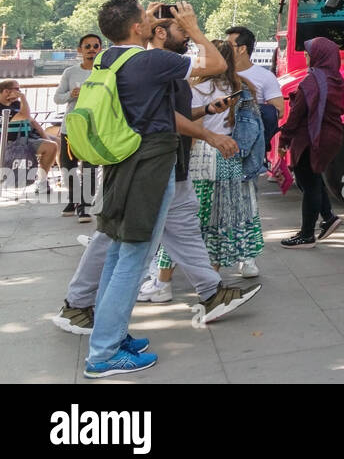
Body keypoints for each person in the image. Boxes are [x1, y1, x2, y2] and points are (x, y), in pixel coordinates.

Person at [55, 17, 258, 338]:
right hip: (145, 168)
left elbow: (174, 112)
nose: (187, 37)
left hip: (167, 165)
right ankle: (79, 306)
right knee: (114, 239)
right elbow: (178, 106)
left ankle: (211, 292)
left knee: (184, 230)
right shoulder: (151, 63)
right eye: (180, 31)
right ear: (160, 33)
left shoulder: (157, 65)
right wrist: (211, 136)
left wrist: (205, 112)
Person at [79, 0, 224, 377]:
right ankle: (103, 355)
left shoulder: (108, 59)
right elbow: (218, 64)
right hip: (148, 166)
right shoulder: (150, 61)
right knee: (134, 258)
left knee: (117, 253)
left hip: (120, 163)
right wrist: (192, 28)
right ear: (136, 28)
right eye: (146, 17)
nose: (151, 20)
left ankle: (110, 333)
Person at [176, 39, 265, 276]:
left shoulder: (197, 90)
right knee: (235, 212)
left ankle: (176, 272)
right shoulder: (243, 88)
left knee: (197, 213)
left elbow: (194, 130)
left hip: (203, 155)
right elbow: (255, 127)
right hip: (232, 153)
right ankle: (245, 261)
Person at [280, 36, 344, 249]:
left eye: (308, 52)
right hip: (329, 136)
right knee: (314, 179)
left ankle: (307, 235)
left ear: (319, 55)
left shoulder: (311, 82)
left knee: (308, 184)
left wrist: (284, 139)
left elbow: (297, 115)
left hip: (311, 137)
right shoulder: (335, 78)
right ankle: (328, 217)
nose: (306, 56)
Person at [54, 34, 102, 219]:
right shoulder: (70, 72)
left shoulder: (104, 73)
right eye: (87, 46)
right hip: (71, 126)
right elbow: (57, 98)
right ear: (80, 50)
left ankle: (86, 204)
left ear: (100, 49)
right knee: (68, 165)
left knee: (90, 166)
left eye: (95, 45)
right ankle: (74, 199)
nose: (91, 49)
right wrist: (71, 95)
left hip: (94, 126)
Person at [2, 79, 58, 196]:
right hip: (11, 143)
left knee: (59, 142)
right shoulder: (2, 108)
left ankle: (66, 179)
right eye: (17, 89)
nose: (19, 91)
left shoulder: (15, 104)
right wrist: (23, 97)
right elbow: (25, 116)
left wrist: (45, 136)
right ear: (6, 91)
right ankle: (42, 182)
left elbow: (32, 121)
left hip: (27, 138)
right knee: (51, 146)